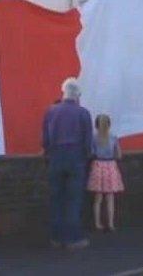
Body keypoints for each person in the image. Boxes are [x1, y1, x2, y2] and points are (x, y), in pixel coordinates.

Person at [42, 77, 93, 249]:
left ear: (63, 92)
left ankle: (56, 237)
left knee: (56, 198)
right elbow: (88, 142)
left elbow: (45, 139)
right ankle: (73, 238)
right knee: (73, 199)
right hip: (76, 158)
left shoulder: (51, 111)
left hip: (55, 157)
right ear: (78, 95)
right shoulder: (83, 113)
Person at [87, 114, 124, 232]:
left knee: (98, 198)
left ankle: (97, 223)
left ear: (96, 125)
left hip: (98, 165)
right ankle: (111, 223)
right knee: (110, 197)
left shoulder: (93, 138)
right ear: (109, 124)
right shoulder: (113, 137)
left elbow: (91, 153)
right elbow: (118, 154)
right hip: (110, 165)